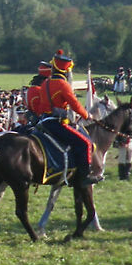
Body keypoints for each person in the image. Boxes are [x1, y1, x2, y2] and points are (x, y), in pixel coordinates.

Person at [32, 50, 96, 185]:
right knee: (85, 143)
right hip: (56, 123)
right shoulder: (63, 85)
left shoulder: (45, 84)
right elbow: (75, 105)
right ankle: (84, 176)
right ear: (66, 71)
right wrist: (87, 115)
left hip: (43, 121)